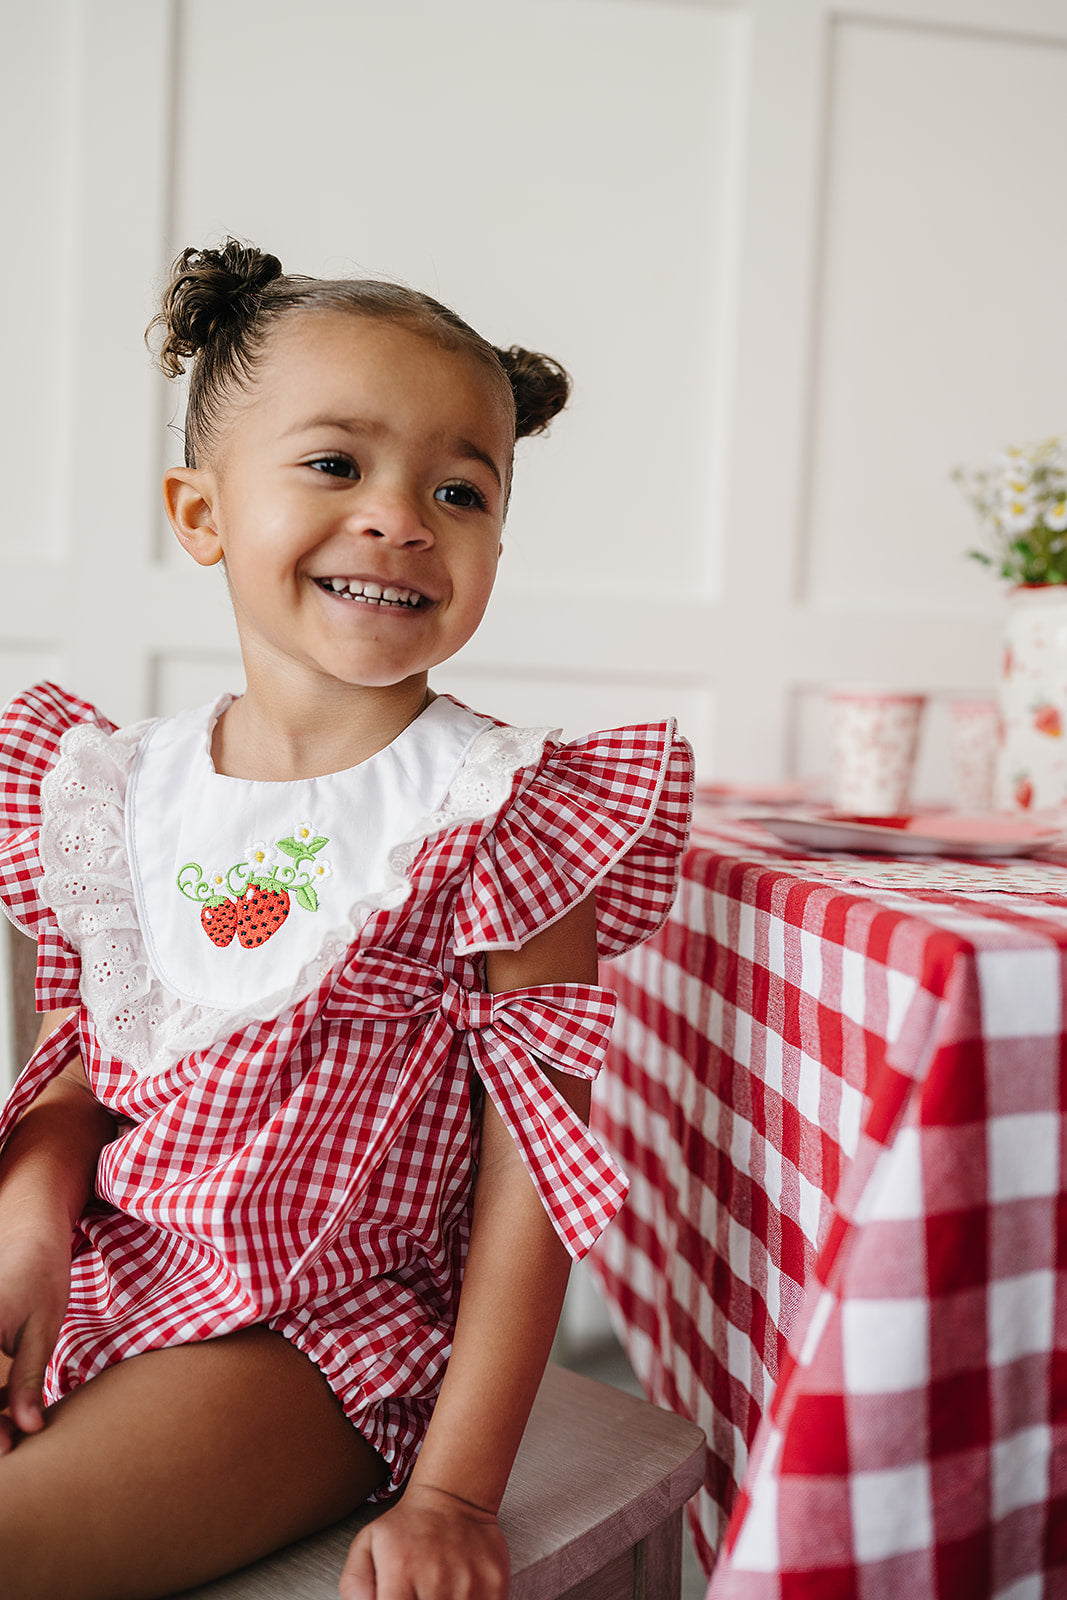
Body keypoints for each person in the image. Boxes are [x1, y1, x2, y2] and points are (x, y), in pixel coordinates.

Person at [0, 240, 693, 1600]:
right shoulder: (111, 789)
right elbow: (87, 1066)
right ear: (201, 513)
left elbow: (529, 1182)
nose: (403, 517)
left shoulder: (503, 809)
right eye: (336, 465)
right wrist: (30, 1216)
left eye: (460, 489)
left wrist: (452, 1490)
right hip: (93, 1276)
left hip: (316, 1339)